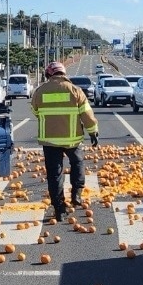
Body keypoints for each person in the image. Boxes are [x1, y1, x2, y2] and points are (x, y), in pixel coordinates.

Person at [30, 61, 98, 223]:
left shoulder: (40, 91)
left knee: (55, 175)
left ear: (49, 74)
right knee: (77, 163)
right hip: (72, 139)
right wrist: (93, 132)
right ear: (64, 73)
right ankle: (77, 193)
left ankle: (59, 209)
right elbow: (87, 115)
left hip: (50, 141)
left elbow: (35, 111)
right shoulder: (75, 91)